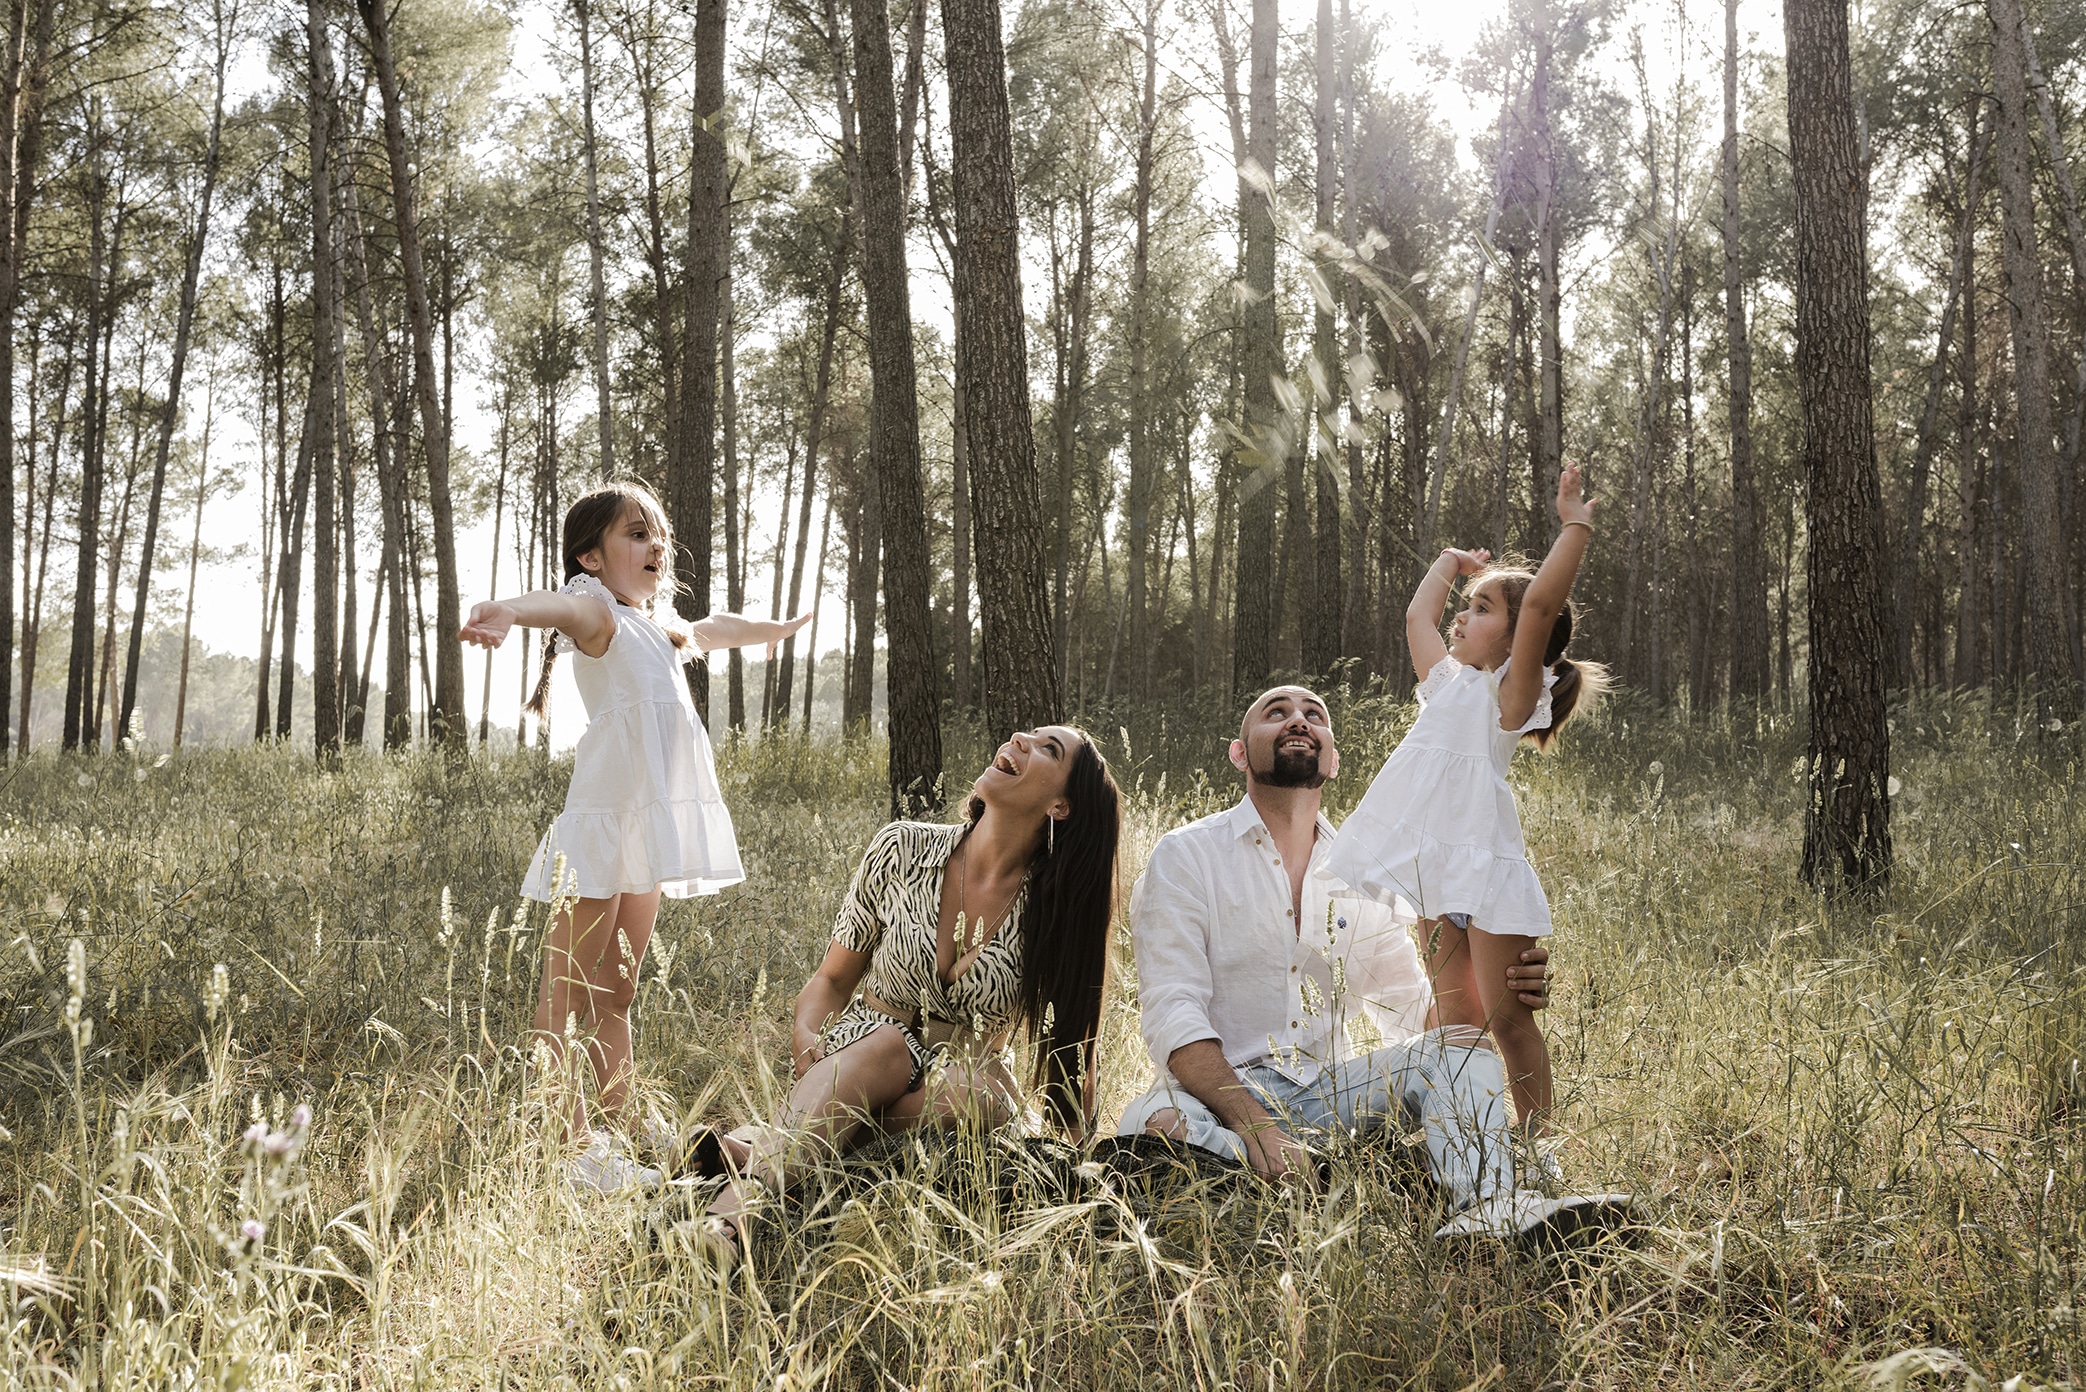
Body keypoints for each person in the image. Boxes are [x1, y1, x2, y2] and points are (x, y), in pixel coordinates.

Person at [1120, 685, 1629, 1240]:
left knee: (1460, 1049)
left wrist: (1504, 985)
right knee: (1161, 1128)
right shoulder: (1187, 855)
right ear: (1240, 753)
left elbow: (1421, 1019)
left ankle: (1488, 1211)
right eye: (1276, 713)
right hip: (1215, 1098)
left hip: (1324, 1095)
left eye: (1314, 715)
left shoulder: (1359, 876)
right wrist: (1257, 1126)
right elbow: (1174, 1018)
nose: (1298, 720)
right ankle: (1330, 1184)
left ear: (1333, 760)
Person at [459, 480, 809, 1192]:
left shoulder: (654, 626)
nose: (655, 547)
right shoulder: (596, 615)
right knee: (567, 993)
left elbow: (713, 627)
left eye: (658, 535)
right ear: (590, 557)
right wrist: (504, 612)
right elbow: (553, 606)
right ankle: (566, 1145)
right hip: (600, 831)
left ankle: (618, 1121)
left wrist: (769, 633)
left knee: (617, 991)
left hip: (642, 835)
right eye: (635, 534)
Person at [679, 726, 1121, 1270]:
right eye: (1026, 734)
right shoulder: (901, 848)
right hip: (859, 1049)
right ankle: (730, 1218)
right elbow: (833, 981)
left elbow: (1073, 1047)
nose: (1021, 739)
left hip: (962, 1085)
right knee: (888, 1044)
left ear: (1061, 805)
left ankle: (765, 1146)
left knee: (978, 1092)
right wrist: (806, 1043)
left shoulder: (1056, 908)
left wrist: (1078, 1161)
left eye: (1049, 749)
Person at [1325, 462, 1608, 1135]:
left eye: (1482, 608)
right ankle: (1467, 1132)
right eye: (1468, 601)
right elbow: (1416, 614)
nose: (1462, 612)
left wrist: (1574, 526)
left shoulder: (1508, 699)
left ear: (1516, 643)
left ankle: (1540, 1142)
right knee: (1454, 1017)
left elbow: (1539, 604)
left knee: (1507, 1016)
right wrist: (1450, 563)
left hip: (1483, 869)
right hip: (1433, 870)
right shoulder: (1445, 683)